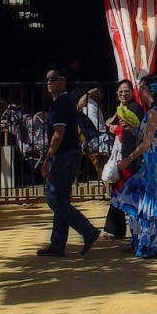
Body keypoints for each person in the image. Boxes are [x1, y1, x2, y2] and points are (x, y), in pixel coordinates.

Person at [113, 76, 157, 257]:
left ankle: (155, 242)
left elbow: (147, 142)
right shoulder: (156, 110)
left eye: (141, 88)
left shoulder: (153, 112)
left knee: (155, 200)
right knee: (150, 198)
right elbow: (152, 136)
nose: (139, 92)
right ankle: (151, 240)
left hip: (155, 158)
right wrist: (133, 130)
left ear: (148, 90)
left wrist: (128, 158)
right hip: (155, 157)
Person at [36, 68, 100, 258]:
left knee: (54, 199)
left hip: (63, 155)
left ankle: (87, 230)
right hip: (68, 154)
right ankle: (57, 244)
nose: (49, 82)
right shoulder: (62, 103)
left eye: (53, 79)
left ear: (63, 81)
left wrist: (47, 159)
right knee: (61, 200)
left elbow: (58, 134)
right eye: (47, 79)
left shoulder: (61, 104)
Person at [101, 79, 144, 240]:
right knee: (119, 190)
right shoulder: (120, 109)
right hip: (121, 152)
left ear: (132, 92)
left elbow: (135, 129)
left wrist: (115, 128)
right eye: (121, 91)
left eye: (126, 91)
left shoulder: (135, 108)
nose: (123, 94)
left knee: (121, 190)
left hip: (129, 155)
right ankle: (116, 228)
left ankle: (117, 228)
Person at [76, 85, 108, 151]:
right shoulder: (89, 107)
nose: (103, 94)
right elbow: (99, 128)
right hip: (96, 139)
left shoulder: (94, 105)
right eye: (100, 92)